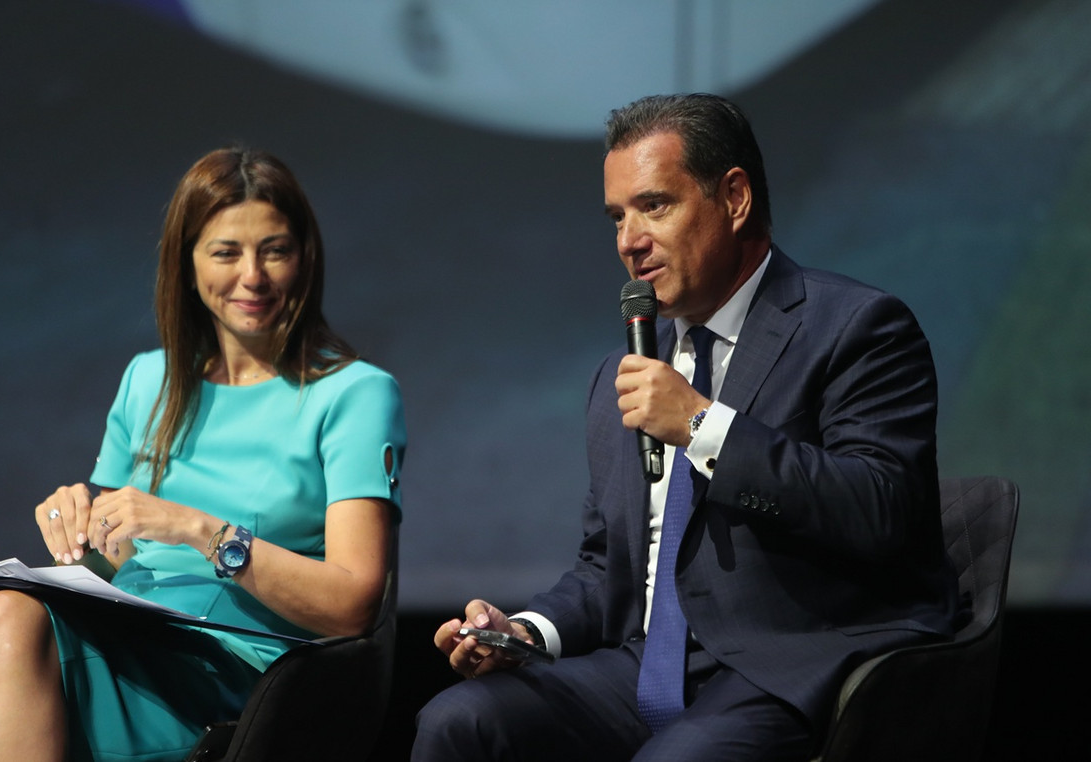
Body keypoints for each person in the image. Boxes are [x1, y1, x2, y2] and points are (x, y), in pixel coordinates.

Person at [412, 93, 961, 761]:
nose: (629, 240)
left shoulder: (855, 327)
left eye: (654, 206)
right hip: (646, 666)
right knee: (460, 721)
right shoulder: (626, 372)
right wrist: (527, 631)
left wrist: (702, 425)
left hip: (789, 664)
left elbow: (881, 509)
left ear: (734, 198)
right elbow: (606, 566)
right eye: (617, 217)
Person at [0, 147, 407, 762]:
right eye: (226, 252)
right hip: (131, 636)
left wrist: (197, 529)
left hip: (241, 667)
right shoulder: (149, 379)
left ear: (305, 258)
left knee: (4, 625)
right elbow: (117, 560)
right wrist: (79, 530)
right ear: (187, 263)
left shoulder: (354, 393)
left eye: (274, 250)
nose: (253, 276)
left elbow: (354, 605)